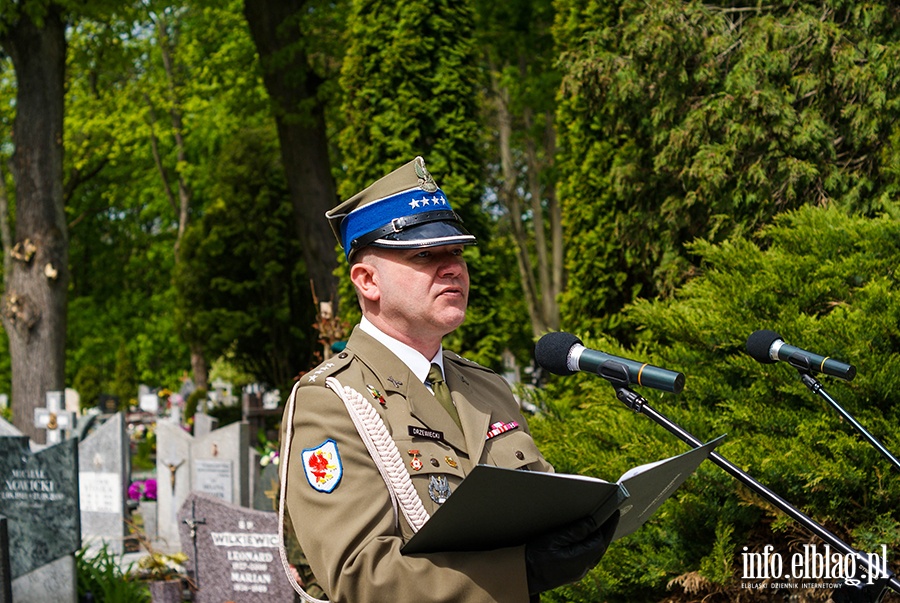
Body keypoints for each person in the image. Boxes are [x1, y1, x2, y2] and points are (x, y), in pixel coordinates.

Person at [278, 157, 618, 602]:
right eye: (424, 254)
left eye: (455, 252)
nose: (452, 267)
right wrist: (521, 570)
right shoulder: (331, 399)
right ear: (366, 280)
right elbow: (359, 576)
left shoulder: (487, 386)